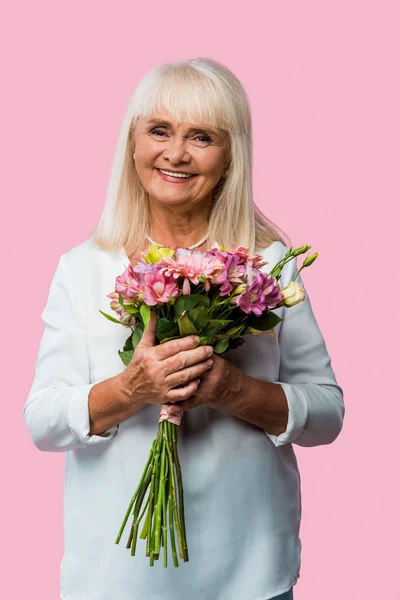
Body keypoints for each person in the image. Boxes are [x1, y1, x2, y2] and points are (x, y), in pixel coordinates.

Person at [23, 57, 345, 600]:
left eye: (202, 137)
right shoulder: (83, 267)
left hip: (251, 572)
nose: (176, 153)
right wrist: (131, 390)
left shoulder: (268, 264)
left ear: (230, 157)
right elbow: (43, 422)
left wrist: (233, 391)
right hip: (115, 576)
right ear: (132, 144)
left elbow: (328, 414)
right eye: (159, 131)